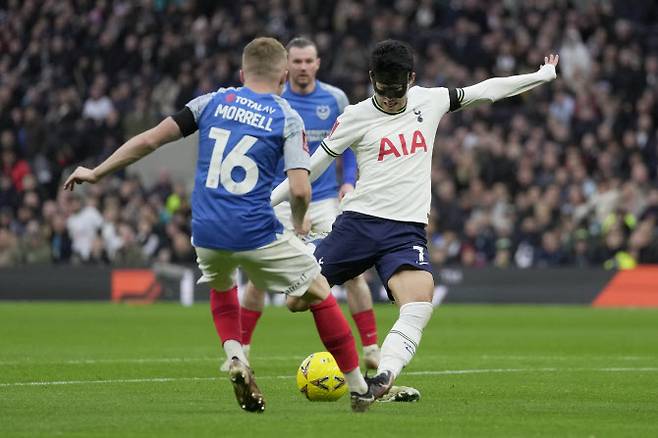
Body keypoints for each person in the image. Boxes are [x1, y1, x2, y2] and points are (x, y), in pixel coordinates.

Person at [64, 37, 375, 413]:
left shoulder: (208, 103)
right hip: (255, 228)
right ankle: (359, 387)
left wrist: (96, 172)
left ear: (243, 73)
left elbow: (148, 140)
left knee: (224, 282)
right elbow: (299, 188)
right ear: (283, 77)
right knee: (319, 292)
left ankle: (236, 356)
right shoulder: (287, 116)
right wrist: (296, 223)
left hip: (206, 231)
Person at [271, 39, 559, 399]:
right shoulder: (355, 116)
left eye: (397, 89)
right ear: (372, 78)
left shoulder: (430, 99)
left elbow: (486, 91)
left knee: (420, 300)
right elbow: (311, 169)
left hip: (404, 231)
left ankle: (383, 378)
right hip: (358, 224)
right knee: (296, 300)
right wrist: (267, 202)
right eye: (383, 89)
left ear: (411, 78)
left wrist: (541, 75)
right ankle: (311, 252)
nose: (390, 97)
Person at [227, 37, 381, 372]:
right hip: (281, 199)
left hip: (325, 200)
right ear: (286, 66)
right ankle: (242, 352)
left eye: (308, 61)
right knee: (257, 276)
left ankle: (371, 347)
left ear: (318, 63)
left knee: (353, 273)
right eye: (296, 62)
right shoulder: (274, 99)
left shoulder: (335, 98)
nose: (302, 67)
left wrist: (349, 181)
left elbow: (351, 143)